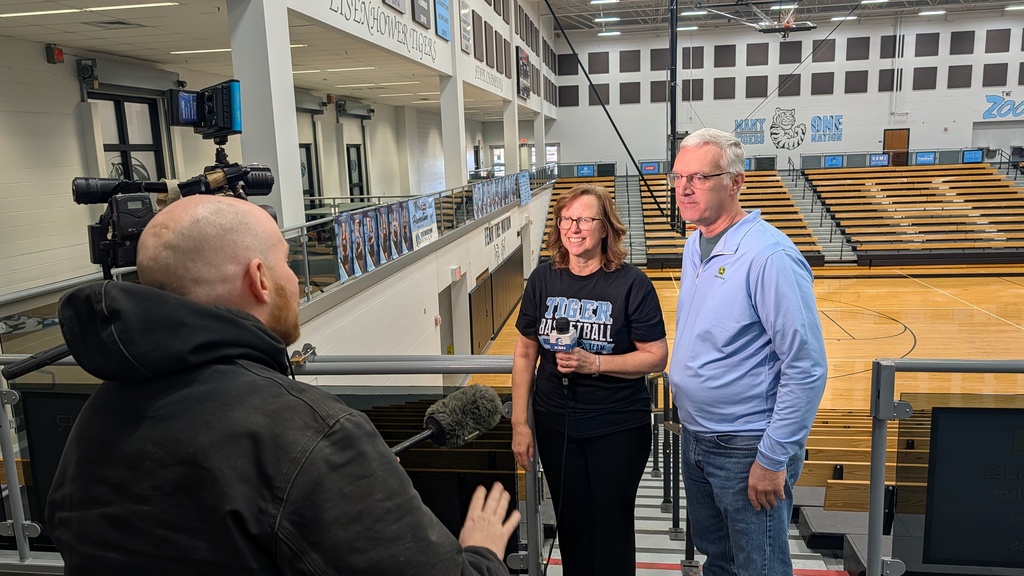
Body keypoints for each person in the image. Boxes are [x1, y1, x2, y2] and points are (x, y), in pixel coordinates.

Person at [46, 195, 519, 575]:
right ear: (259, 279)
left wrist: (346, 487)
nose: (296, 278)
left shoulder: (95, 417)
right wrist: (481, 554)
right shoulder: (313, 434)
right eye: (287, 263)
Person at [667, 128, 828, 576]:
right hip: (697, 438)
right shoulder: (694, 244)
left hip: (746, 446)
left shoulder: (769, 256)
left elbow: (807, 367)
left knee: (759, 567)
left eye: (698, 177)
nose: (683, 188)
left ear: (735, 181)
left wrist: (773, 458)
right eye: (678, 177)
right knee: (718, 561)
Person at [510, 184, 668, 576]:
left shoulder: (632, 284)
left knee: (610, 532)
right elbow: (526, 352)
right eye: (566, 219)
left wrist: (593, 363)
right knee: (573, 530)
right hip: (554, 424)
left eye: (584, 219)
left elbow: (656, 356)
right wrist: (519, 423)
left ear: (605, 229)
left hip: (617, 428)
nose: (573, 228)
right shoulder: (543, 280)